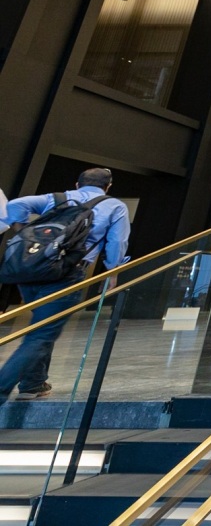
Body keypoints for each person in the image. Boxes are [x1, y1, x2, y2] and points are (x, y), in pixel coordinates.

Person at [0, 168, 130, 401]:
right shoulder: (115, 206)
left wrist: (21, 230)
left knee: (41, 328)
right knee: (41, 335)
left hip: (31, 270)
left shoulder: (57, 198)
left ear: (77, 184)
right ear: (108, 187)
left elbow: (16, 205)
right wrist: (113, 272)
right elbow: (116, 243)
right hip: (66, 275)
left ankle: (33, 383)